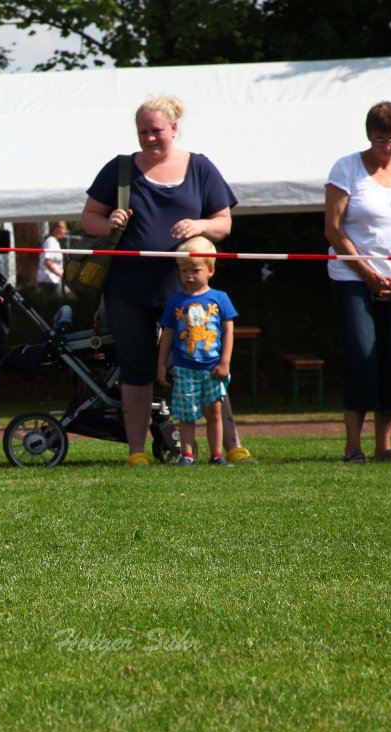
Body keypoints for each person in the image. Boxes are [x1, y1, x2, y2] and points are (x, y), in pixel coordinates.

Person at [81, 95, 249, 465]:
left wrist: (200, 225)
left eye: (156, 130)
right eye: (142, 131)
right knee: (137, 368)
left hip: (189, 292)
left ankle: (230, 446)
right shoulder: (120, 169)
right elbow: (88, 218)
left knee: (205, 363)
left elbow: (224, 223)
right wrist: (108, 223)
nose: (149, 138)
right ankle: (137, 452)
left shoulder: (201, 168)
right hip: (128, 289)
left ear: (174, 128)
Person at [324, 101, 391, 463]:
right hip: (352, 277)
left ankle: (385, 445)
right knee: (362, 356)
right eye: (381, 140)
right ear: (369, 135)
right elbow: (333, 229)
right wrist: (368, 274)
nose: (387, 147)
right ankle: (353, 446)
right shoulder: (346, 168)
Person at [156, 237, 236, 465]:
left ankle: (217, 455)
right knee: (186, 416)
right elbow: (168, 334)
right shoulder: (175, 301)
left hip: (213, 369)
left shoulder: (220, 298)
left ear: (210, 270)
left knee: (215, 414)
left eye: (195, 270)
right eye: (183, 271)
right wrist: (162, 364)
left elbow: (228, 331)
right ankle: (187, 455)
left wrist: (225, 362)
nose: (189, 276)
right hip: (184, 370)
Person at [37, 221, 68, 297]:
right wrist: (61, 274)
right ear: (56, 229)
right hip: (49, 280)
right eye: (64, 229)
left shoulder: (55, 242)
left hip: (53, 280)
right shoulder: (50, 242)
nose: (65, 231)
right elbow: (47, 262)